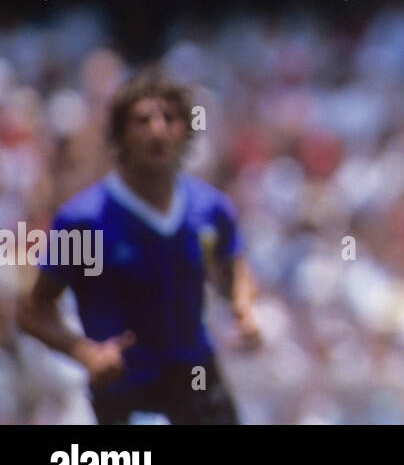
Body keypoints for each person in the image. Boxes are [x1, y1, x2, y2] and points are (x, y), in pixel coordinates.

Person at [18, 68, 259, 424]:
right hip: (127, 392)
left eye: (169, 118)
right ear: (120, 135)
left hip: (199, 385)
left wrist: (244, 307)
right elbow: (33, 311)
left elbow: (233, 262)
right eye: (142, 120)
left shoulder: (209, 208)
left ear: (185, 130)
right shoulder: (86, 222)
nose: (157, 129)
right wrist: (85, 353)